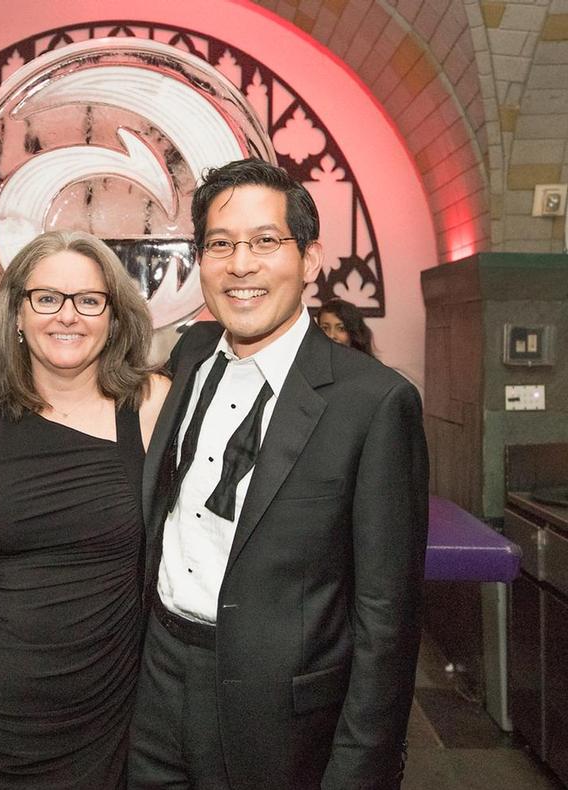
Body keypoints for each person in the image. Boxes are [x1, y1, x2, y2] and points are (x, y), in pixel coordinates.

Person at [128, 159, 428, 789]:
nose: (241, 264)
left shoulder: (371, 403)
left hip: (278, 718)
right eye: (220, 244)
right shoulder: (188, 359)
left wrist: (361, 767)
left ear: (310, 258)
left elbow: (386, 616)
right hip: (153, 678)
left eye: (265, 242)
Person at [0, 230, 170, 789]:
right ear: (16, 312)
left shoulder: (153, 406)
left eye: (89, 300)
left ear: (114, 317)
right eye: (46, 298)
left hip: (106, 706)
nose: (67, 316)